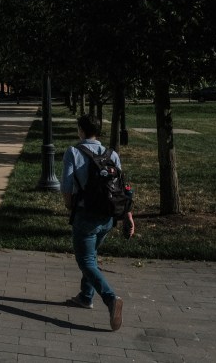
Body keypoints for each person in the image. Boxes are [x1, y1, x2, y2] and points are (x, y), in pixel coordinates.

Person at [61, 114, 135, 331]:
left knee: (86, 261)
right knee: (92, 256)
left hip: (86, 215)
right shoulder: (112, 154)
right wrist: (128, 216)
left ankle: (111, 299)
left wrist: (69, 206)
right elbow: (121, 188)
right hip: (108, 216)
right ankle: (85, 296)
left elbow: (66, 187)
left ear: (80, 130)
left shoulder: (74, 152)